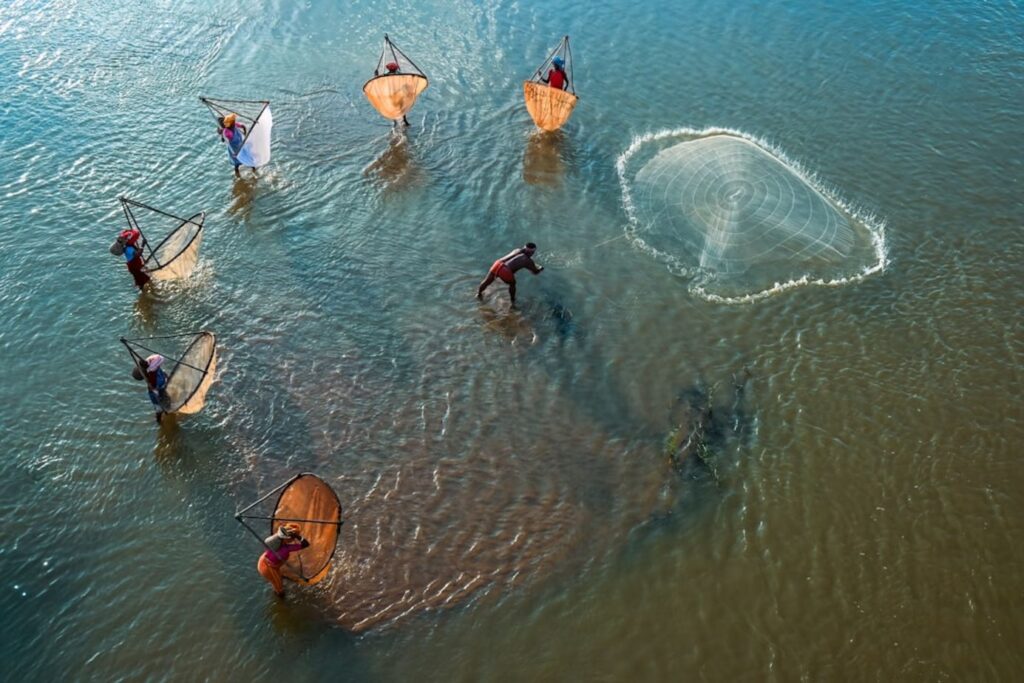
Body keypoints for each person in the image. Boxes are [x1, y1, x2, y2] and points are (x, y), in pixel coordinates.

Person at [477, 242, 544, 306]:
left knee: (487, 281)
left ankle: (478, 294)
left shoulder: (517, 250)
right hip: (505, 270)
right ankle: (512, 300)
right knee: (512, 284)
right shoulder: (527, 260)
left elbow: (518, 259)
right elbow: (535, 272)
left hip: (498, 263)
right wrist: (540, 268)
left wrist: (533, 264)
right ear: (532, 252)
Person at [257, 523, 310, 597]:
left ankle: (277, 585)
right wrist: (297, 536)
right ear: (288, 539)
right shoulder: (286, 548)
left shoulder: (276, 539)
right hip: (268, 568)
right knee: (279, 589)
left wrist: (292, 534)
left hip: (264, 560)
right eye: (293, 538)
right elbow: (306, 544)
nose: (293, 540)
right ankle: (280, 599)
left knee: (278, 581)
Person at [133, 354, 169, 423]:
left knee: (166, 403)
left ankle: (167, 413)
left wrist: (166, 376)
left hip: (161, 389)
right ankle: (159, 421)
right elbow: (155, 390)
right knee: (159, 409)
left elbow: (162, 372)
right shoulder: (152, 378)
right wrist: (158, 393)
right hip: (156, 393)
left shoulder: (154, 367)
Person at [374, 62, 411, 127]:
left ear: (389, 69)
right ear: (396, 69)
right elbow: (404, 81)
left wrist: (376, 74)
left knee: (393, 107)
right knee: (402, 108)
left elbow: (378, 81)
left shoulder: (386, 75)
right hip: (399, 94)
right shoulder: (399, 75)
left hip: (391, 94)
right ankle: (405, 120)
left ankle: (395, 122)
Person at [218, 113, 249, 178]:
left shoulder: (234, 125)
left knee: (246, 159)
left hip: (240, 145)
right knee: (237, 164)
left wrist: (245, 134)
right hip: (234, 149)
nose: (234, 122)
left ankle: (252, 168)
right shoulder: (227, 132)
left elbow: (243, 126)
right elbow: (224, 139)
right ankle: (238, 176)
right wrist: (222, 133)